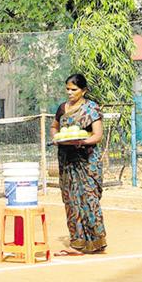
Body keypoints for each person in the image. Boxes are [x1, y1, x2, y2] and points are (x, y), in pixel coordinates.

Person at [50, 74, 107, 255]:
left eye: (74, 89)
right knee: (71, 200)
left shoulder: (91, 109)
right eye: (67, 89)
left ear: (83, 90)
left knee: (89, 199)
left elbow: (97, 135)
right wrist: (56, 138)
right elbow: (54, 127)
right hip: (67, 160)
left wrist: (82, 141)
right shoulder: (62, 108)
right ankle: (78, 241)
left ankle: (96, 241)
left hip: (87, 160)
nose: (69, 93)